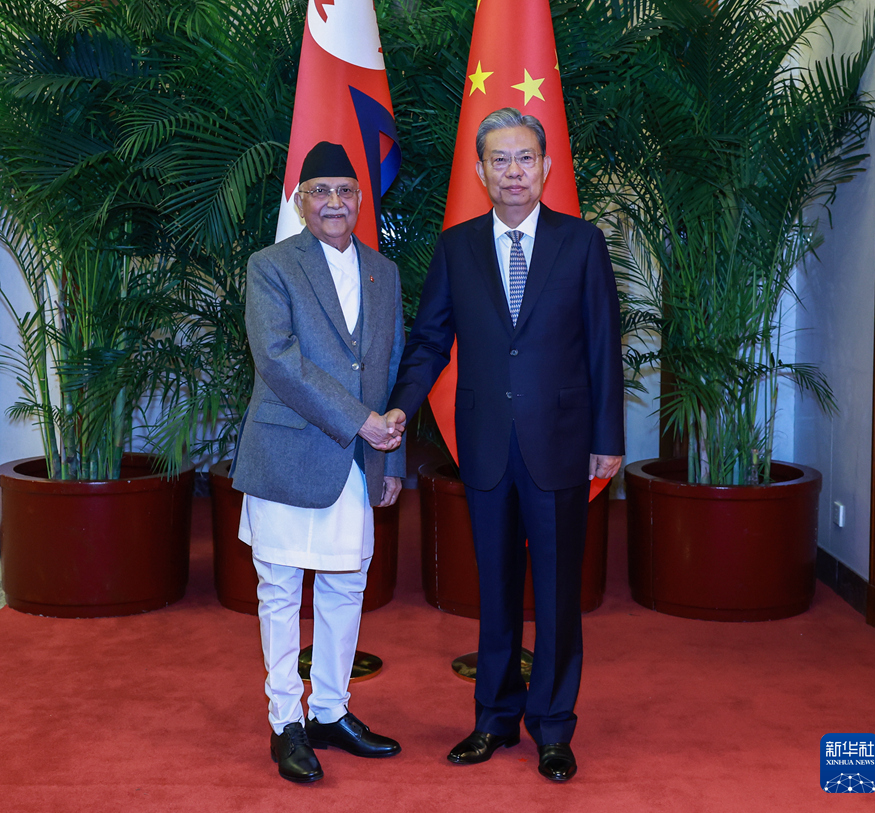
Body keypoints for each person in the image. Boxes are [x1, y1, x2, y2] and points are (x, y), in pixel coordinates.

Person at [386, 108, 624, 782]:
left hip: (562, 442)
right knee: (493, 589)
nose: (513, 172)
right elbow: (430, 340)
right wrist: (400, 408)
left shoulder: (582, 243)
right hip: (486, 442)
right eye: (500, 159)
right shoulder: (456, 247)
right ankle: (493, 719)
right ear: (480, 170)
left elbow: (603, 345)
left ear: (545, 167)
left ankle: (553, 727)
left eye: (525, 158)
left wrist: (608, 437)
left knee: (557, 592)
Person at [230, 141, 406, 784]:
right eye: (321, 191)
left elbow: (389, 367)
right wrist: (359, 420)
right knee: (279, 590)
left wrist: (390, 459)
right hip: (287, 452)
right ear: (301, 201)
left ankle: (331, 710)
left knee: (346, 586)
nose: (334, 202)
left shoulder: (384, 272)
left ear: (361, 200)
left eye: (346, 191)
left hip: (358, 462)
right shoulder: (270, 266)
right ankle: (286, 722)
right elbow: (278, 361)